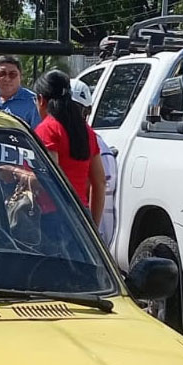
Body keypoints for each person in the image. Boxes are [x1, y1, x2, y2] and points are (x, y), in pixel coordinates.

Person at [33, 70, 105, 227]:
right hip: (81, 214)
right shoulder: (86, 131)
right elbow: (99, 182)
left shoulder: (47, 129)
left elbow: (50, 178)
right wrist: (93, 227)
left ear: (40, 99)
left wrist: (16, 174)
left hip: (51, 216)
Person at [71, 79, 118, 249]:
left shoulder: (94, 144)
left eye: (75, 109)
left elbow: (98, 186)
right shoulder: (86, 140)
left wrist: (91, 233)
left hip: (86, 237)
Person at [0, 55, 40, 128]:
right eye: (2, 74)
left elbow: (38, 134)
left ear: (21, 76)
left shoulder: (33, 102)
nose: (7, 79)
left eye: (12, 74)